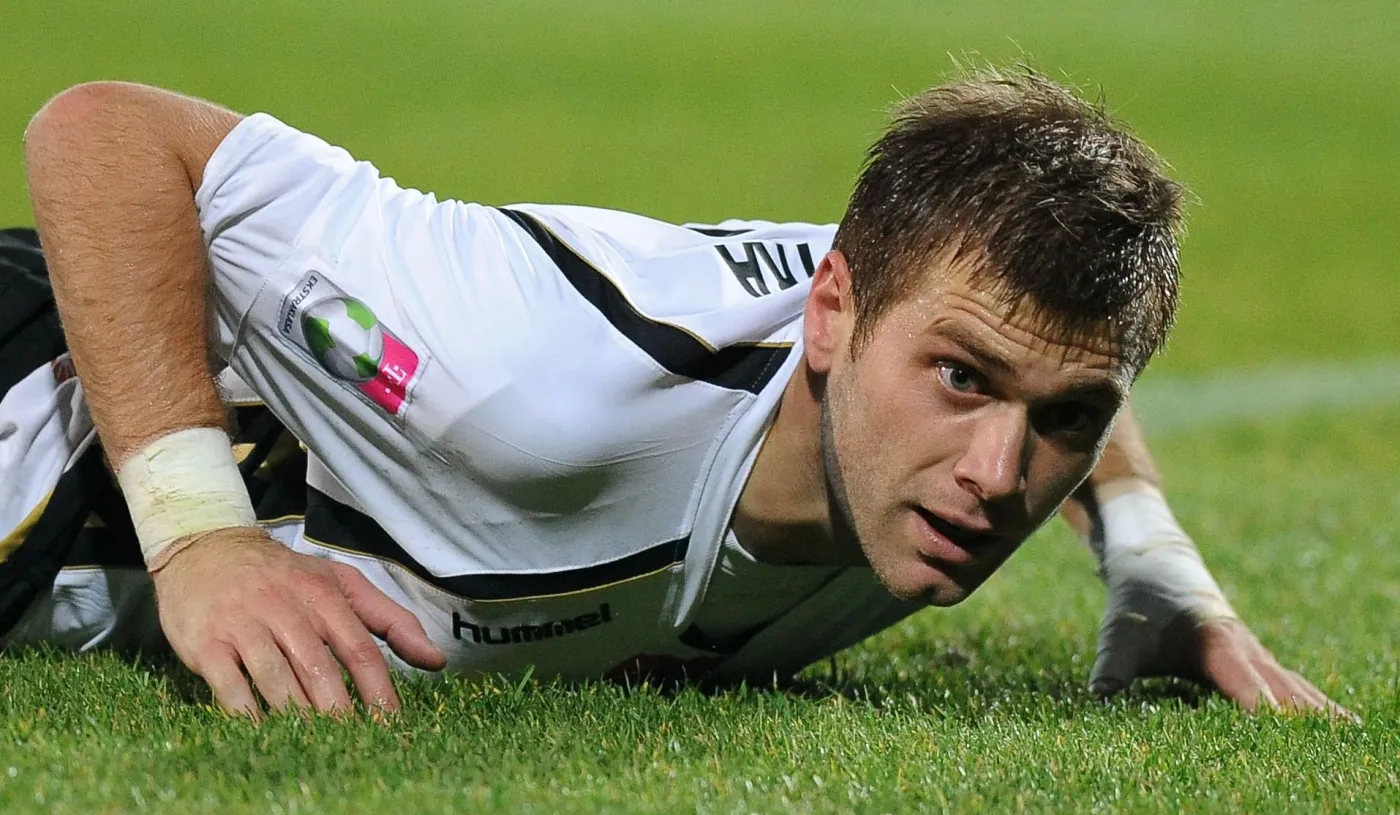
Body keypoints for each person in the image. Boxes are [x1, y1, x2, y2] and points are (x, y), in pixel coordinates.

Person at [0, 67, 1350, 720]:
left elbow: (1057, 365)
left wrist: (1157, 565)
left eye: (1060, 421)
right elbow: (104, 133)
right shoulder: (522, 378)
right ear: (832, 314)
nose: (1000, 476)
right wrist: (201, 534)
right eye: (959, 381)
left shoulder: (943, 382)